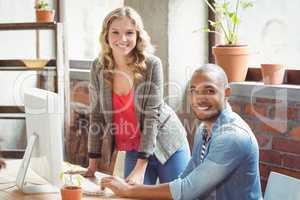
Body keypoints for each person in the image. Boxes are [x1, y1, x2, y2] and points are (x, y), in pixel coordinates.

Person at [101, 64, 263, 200]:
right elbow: (184, 179)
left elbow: (188, 190)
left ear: (226, 93)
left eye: (209, 90)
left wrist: (129, 190)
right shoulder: (204, 130)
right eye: (194, 91)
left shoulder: (232, 137)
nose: (199, 98)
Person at [86, 6, 190, 185]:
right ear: (106, 36)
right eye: (115, 32)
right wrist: (92, 166)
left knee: (177, 196)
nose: (122, 39)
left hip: (168, 144)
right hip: (135, 148)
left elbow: (152, 115)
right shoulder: (98, 67)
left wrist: (141, 168)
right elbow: (96, 115)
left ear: (138, 36)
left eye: (129, 33)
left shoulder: (152, 65)